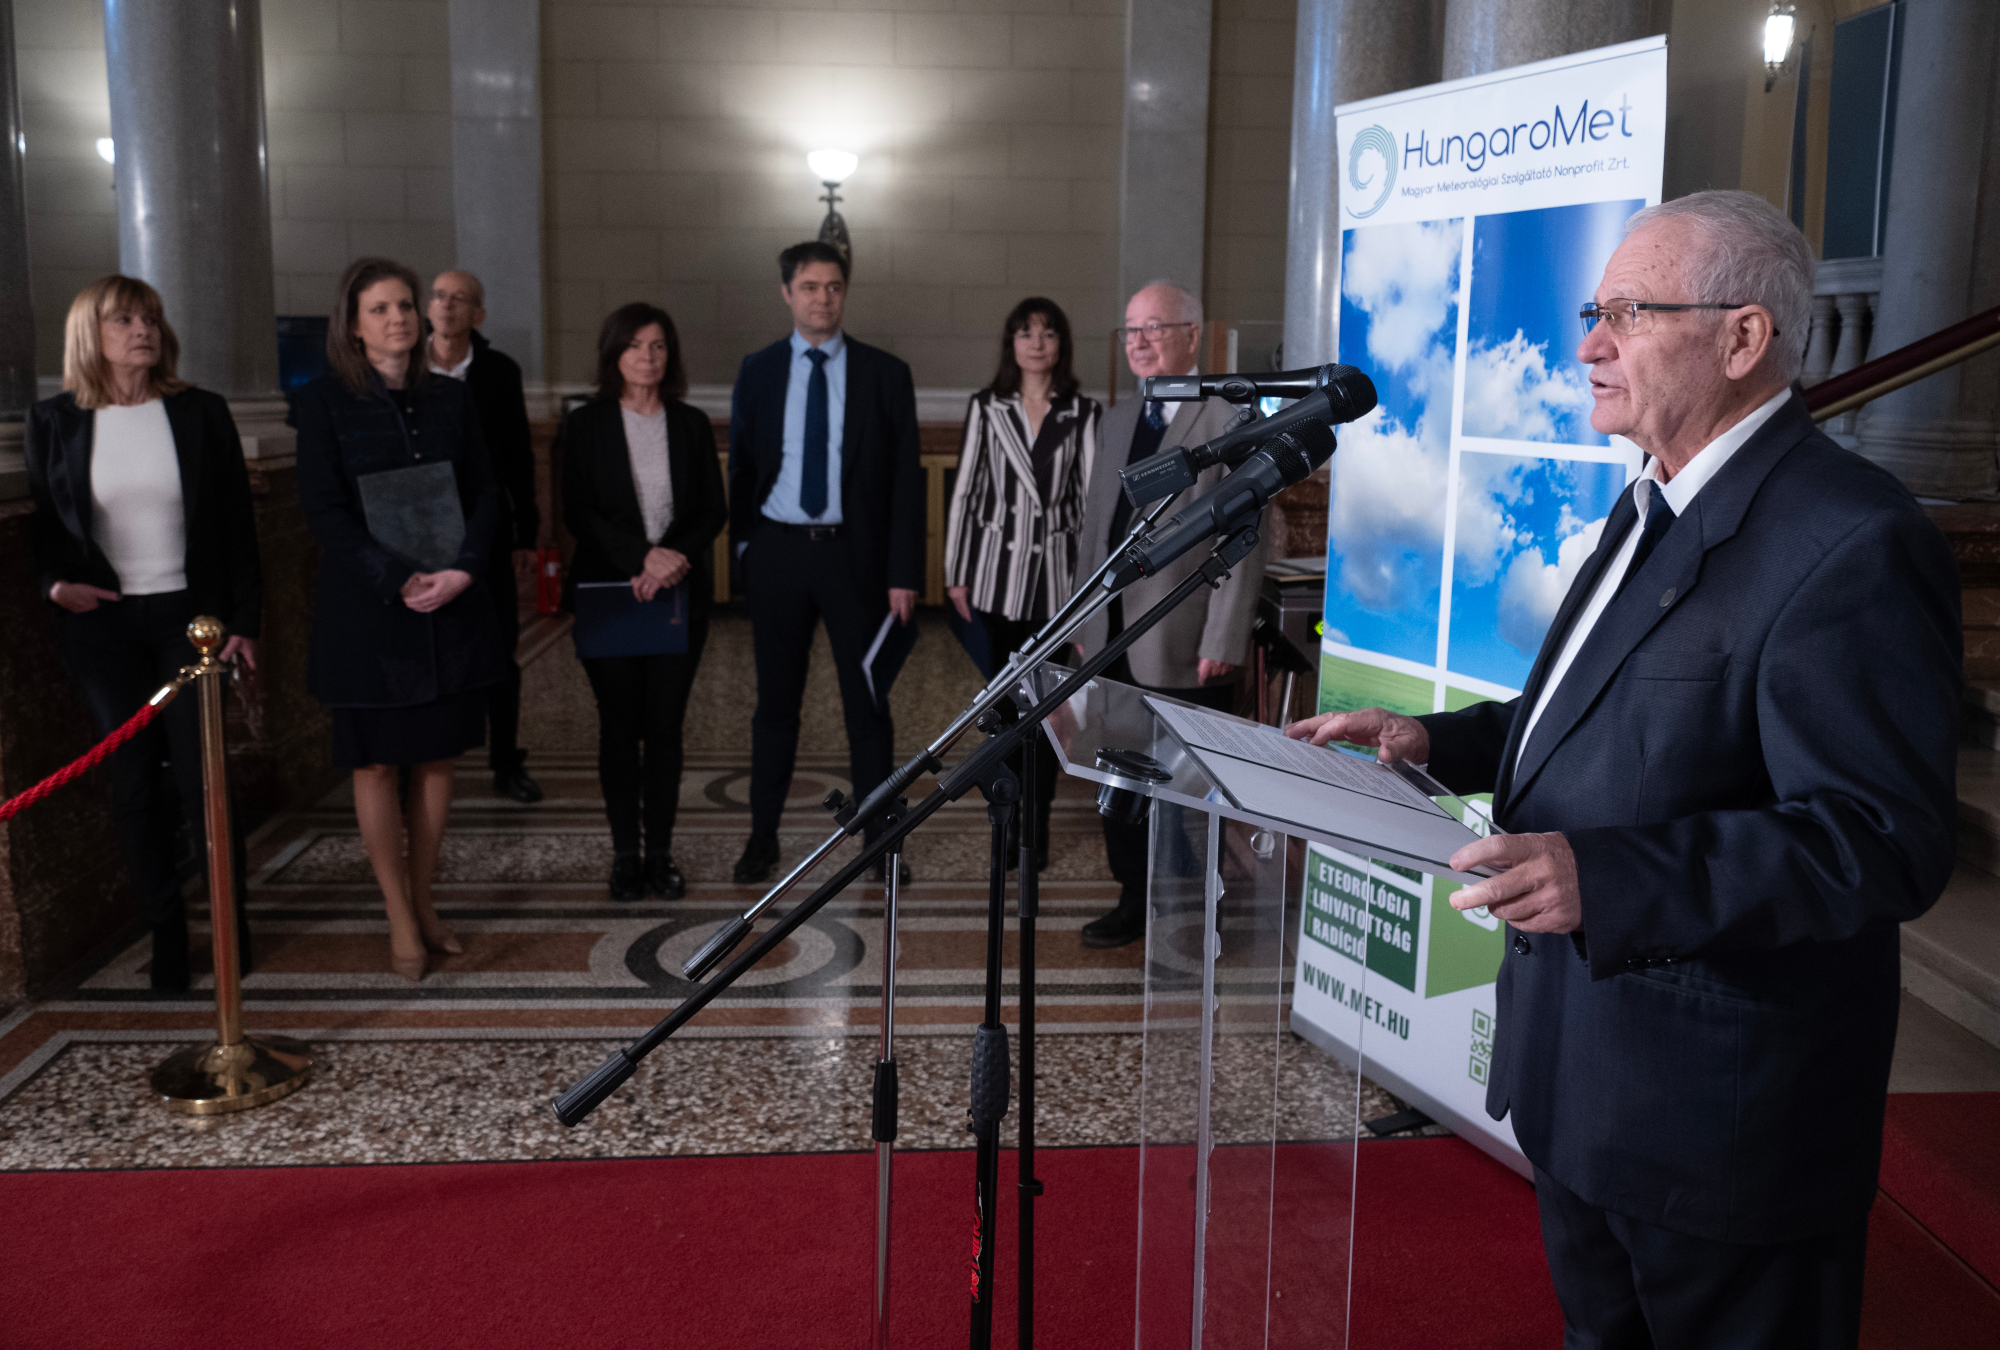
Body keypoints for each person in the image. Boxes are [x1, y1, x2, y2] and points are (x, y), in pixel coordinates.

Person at [1287, 191, 1959, 1346]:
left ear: (1741, 339)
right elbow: (1606, 716)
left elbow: (1878, 839)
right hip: (1579, 1082)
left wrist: (1604, 877)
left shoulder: (1849, 538)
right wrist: (1434, 741)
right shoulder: (1651, 497)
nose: (1587, 346)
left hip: (1721, 1128)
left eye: (1627, 315)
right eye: (1589, 313)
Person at [24, 275, 262, 991]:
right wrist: (53, 586)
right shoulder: (55, 420)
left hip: (192, 622)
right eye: (125, 320)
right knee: (132, 786)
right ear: (90, 334)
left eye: (151, 318)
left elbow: (238, 527)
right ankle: (166, 934)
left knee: (203, 780)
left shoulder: (199, 412)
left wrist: (244, 623)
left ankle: (230, 927)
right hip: (106, 626)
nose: (143, 331)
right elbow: (45, 528)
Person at [293, 257, 505, 982]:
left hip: (450, 601)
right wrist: (394, 577)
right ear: (353, 325)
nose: (398, 319)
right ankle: (397, 913)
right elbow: (324, 508)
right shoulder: (322, 401)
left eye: (406, 306)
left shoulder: (451, 397)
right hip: (370, 610)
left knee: (438, 758)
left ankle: (425, 900)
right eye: (380, 309)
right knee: (378, 763)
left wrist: (464, 568)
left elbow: (485, 490)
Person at [1073, 281, 1269, 947]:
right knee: (1120, 771)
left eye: (1154, 327)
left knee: (1196, 781)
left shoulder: (1228, 419)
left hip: (1186, 634)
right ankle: (1134, 895)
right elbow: (1096, 530)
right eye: (1131, 329)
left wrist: (1225, 635)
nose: (1140, 341)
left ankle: (1206, 905)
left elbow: (1246, 535)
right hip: (1113, 632)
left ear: (1193, 334)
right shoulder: (1118, 418)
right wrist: (1085, 620)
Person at [728, 240, 924, 885]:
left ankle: (880, 839)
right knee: (774, 706)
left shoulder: (884, 373)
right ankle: (761, 837)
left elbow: (905, 482)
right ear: (787, 293)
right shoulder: (758, 370)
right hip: (778, 553)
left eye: (834, 287)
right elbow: (743, 468)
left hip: (854, 557)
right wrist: (747, 549)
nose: (823, 299)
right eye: (810, 287)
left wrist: (903, 573)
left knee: (867, 704)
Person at [561, 304, 726, 900]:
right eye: (634, 345)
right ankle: (624, 855)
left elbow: (712, 509)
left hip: (676, 596)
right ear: (614, 354)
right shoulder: (585, 424)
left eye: (657, 345)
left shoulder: (690, 423)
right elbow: (577, 511)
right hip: (612, 595)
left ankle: (659, 852)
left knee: (664, 727)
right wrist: (640, 557)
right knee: (618, 726)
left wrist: (670, 558)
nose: (647, 357)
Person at [943, 297, 1101, 869]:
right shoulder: (987, 407)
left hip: (1056, 585)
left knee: (1045, 714)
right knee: (1004, 713)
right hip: (996, 579)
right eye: (1026, 332)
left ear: (1062, 344)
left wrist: (1089, 590)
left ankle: (1036, 829)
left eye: (1048, 333)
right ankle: (1007, 823)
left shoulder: (1083, 411)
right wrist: (956, 572)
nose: (1036, 343)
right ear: (1011, 343)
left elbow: (1091, 506)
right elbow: (966, 492)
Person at [428, 270, 543, 804]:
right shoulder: (407, 367)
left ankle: (506, 762)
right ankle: (420, 761)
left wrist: (527, 533)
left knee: (499, 648)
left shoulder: (499, 372)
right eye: (438, 296)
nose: (446, 306)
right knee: (427, 648)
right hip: (423, 530)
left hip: (487, 528)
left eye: (459, 299)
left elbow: (518, 454)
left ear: (478, 314)